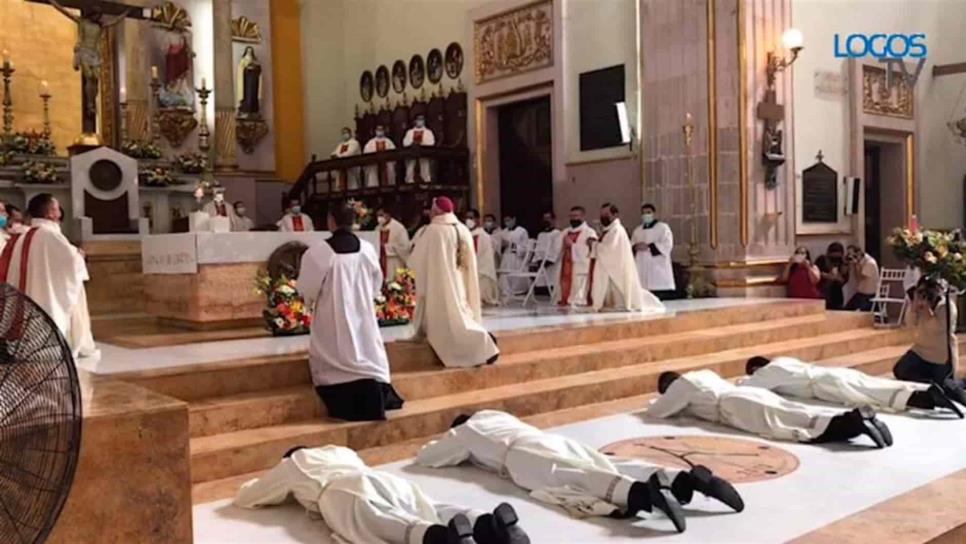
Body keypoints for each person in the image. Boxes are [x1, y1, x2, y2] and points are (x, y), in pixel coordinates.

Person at [417, 411, 745, 534]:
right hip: (546, 439)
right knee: (603, 462)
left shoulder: (466, 432)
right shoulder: (494, 414)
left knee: (574, 478)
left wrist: (448, 438)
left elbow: (429, 457)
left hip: (520, 457)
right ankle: (683, 480)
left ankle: (642, 494)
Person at [235, 445, 530, 544]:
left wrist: (246, 486)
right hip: (382, 478)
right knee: (429, 505)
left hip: (340, 490)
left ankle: (440, 540)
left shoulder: (295, 462)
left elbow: (250, 497)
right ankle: (489, 524)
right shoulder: (341, 450)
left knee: (382, 521)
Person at [296, 202, 403, 421]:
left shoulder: (318, 252)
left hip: (332, 314)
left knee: (336, 348)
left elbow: (307, 289)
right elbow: (377, 282)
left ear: (331, 221)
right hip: (363, 312)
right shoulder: (367, 249)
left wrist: (310, 301)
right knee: (366, 346)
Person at [650, 369, 892, 448]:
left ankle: (853, 423)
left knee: (788, 424)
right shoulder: (703, 373)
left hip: (737, 407)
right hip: (746, 395)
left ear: (668, 384)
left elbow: (659, 411)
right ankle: (852, 418)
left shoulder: (682, 384)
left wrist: (654, 402)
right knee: (796, 412)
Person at [0, 194, 97, 359]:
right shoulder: (50, 234)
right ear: (50, 213)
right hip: (46, 292)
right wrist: (79, 255)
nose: (60, 211)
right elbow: (71, 263)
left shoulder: (24, 235)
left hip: (31, 290)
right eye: (57, 207)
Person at [409, 197, 499, 367]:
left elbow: (416, 261)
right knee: (461, 311)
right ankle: (482, 343)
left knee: (450, 320)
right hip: (459, 280)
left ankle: (483, 345)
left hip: (440, 282)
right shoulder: (463, 229)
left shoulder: (433, 230)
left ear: (437, 211)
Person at [742, 355, 962, 417]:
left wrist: (742, 380)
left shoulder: (767, 372)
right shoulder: (785, 360)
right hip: (832, 373)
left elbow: (749, 387)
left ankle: (924, 397)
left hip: (827, 384)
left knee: (873, 395)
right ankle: (924, 392)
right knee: (875, 384)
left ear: (757, 368)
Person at [893, 276, 966, 405]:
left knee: (945, 388)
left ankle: (959, 383)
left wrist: (927, 313)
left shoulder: (946, 306)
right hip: (920, 351)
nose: (924, 296)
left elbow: (939, 329)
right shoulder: (919, 303)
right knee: (901, 370)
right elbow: (910, 324)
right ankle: (929, 387)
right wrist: (914, 307)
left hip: (941, 356)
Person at [591, 204, 664, 313]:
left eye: (606, 214)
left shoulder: (617, 230)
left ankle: (621, 303)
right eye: (602, 214)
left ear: (615, 215)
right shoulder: (611, 230)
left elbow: (607, 249)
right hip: (612, 265)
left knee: (622, 291)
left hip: (617, 267)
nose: (603, 217)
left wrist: (594, 244)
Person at [552, 206, 597, 308]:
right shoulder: (566, 231)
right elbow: (556, 247)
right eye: (571, 216)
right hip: (565, 263)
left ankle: (579, 300)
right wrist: (563, 244)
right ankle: (564, 299)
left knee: (578, 287)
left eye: (576, 216)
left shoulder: (589, 232)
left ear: (582, 217)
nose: (573, 218)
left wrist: (572, 245)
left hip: (580, 265)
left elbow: (591, 249)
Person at [631, 204, 675, 299]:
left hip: (657, 269)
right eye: (643, 213)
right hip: (642, 266)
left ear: (654, 214)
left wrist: (649, 246)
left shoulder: (663, 228)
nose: (646, 215)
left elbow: (667, 245)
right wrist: (636, 247)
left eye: (648, 213)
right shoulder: (637, 230)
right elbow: (631, 246)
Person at [465, 209, 499, 306]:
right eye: (467, 218)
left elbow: (478, 253)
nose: (468, 220)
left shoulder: (481, 235)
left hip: (482, 268)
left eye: (471, 218)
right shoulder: (467, 234)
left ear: (477, 219)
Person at [375, 207, 411, 282]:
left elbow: (404, 248)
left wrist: (386, 247)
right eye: (378, 215)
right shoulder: (377, 228)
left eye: (381, 215)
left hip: (393, 261)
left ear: (388, 215)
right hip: (381, 260)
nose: (379, 218)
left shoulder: (399, 228)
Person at [498, 214, 530, 296]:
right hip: (506, 256)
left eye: (508, 220)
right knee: (504, 278)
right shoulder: (503, 232)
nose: (507, 222)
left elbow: (525, 247)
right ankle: (505, 291)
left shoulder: (522, 231)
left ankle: (518, 291)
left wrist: (511, 245)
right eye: (505, 221)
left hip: (516, 258)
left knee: (516, 278)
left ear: (514, 219)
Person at [843, 245, 878, 311]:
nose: (851, 257)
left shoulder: (869, 263)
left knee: (858, 312)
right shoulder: (860, 263)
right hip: (861, 294)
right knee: (846, 310)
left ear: (858, 253)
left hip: (869, 295)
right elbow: (857, 278)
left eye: (853, 255)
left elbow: (861, 277)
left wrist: (856, 264)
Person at [533, 211, 562, 292]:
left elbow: (557, 249)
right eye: (544, 218)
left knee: (552, 284)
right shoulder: (540, 234)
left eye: (548, 218)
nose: (546, 220)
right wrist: (538, 260)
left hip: (552, 264)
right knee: (541, 287)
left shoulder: (557, 234)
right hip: (541, 264)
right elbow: (537, 249)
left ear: (553, 220)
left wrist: (549, 260)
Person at [403, 114, 436, 183]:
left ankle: (426, 183)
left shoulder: (428, 132)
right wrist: (412, 143)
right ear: (415, 121)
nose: (420, 121)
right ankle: (410, 182)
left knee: (425, 170)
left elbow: (431, 143)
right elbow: (405, 143)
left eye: (421, 120)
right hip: (411, 155)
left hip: (424, 155)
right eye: (418, 120)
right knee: (410, 170)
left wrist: (422, 143)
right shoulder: (409, 132)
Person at [814, 242, 847, 310]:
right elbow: (815, 273)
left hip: (836, 295)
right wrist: (827, 276)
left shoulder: (842, 262)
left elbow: (844, 279)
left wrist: (838, 277)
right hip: (823, 292)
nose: (835, 259)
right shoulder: (822, 259)